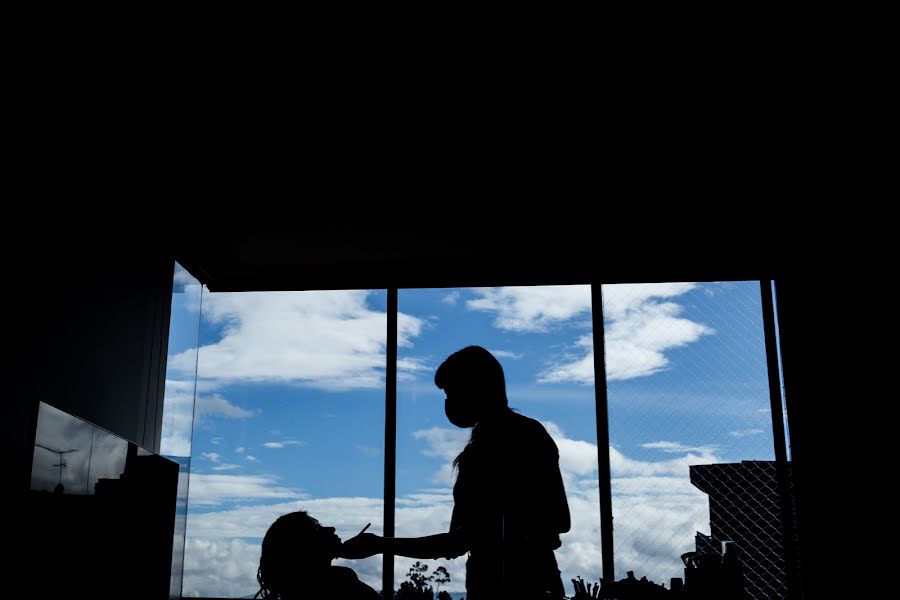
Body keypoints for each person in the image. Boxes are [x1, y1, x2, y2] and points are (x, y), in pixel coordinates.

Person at [341, 345, 571, 599]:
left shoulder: (491, 449)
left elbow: (458, 541)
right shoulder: (524, 435)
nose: (449, 403)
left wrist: (381, 545)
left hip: (512, 586)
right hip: (531, 579)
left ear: (476, 390)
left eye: (453, 393)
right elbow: (559, 518)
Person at [255, 510, 380, 600]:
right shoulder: (339, 582)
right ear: (302, 547)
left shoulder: (293, 590)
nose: (332, 528)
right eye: (317, 528)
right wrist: (381, 545)